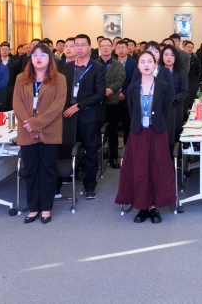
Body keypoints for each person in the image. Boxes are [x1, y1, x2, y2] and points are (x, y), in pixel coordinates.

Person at [115, 51, 176, 224]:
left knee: (157, 168)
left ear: (155, 64)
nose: (147, 64)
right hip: (138, 132)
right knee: (140, 169)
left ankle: (154, 207)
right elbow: (131, 110)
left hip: (157, 132)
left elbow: (165, 109)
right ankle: (142, 206)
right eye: (143, 61)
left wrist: (155, 121)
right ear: (138, 66)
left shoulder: (163, 86)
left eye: (150, 61)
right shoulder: (132, 88)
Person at [15, 43, 67, 224]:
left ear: (50, 58)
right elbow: (17, 104)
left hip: (49, 130)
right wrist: (30, 125)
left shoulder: (59, 79)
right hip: (26, 130)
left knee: (47, 170)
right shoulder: (21, 78)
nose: (38, 58)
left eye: (43, 54)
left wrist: (36, 124)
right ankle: (33, 208)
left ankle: (46, 208)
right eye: (35, 54)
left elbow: (57, 107)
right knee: (30, 171)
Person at [62, 34, 107, 199]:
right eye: (76, 45)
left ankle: (90, 186)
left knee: (90, 150)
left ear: (89, 48)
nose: (79, 48)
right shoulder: (67, 67)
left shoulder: (97, 68)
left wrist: (79, 106)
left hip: (88, 115)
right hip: (68, 116)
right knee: (67, 148)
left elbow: (100, 94)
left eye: (83, 45)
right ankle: (67, 177)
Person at [94, 38, 126, 169]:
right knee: (94, 130)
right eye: (103, 46)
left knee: (113, 131)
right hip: (96, 103)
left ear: (112, 47)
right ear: (99, 48)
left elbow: (120, 79)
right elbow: (91, 81)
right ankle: (94, 157)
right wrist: (101, 93)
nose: (105, 48)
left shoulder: (118, 64)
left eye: (108, 46)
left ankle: (113, 158)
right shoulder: (93, 63)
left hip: (112, 102)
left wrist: (110, 90)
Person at [161, 44, 187, 149]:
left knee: (174, 133)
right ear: (162, 56)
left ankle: (175, 155)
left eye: (172, 55)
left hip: (176, 106)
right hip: (160, 107)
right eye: (166, 54)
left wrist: (173, 98)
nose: (169, 57)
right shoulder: (157, 72)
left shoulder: (181, 72)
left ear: (176, 57)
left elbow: (184, 91)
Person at [115, 40, 137, 150]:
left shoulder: (133, 63)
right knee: (113, 125)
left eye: (123, 47)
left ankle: (127, 148)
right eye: (118, 47)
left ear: (127, 48)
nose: (120, 50)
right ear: (115, 49)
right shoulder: (112, 62)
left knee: (127, 124)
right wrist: (115, 93)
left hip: (128, 98)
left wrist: (124, 93)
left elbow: (134, 81)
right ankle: (113, 152)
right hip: (113, 98)